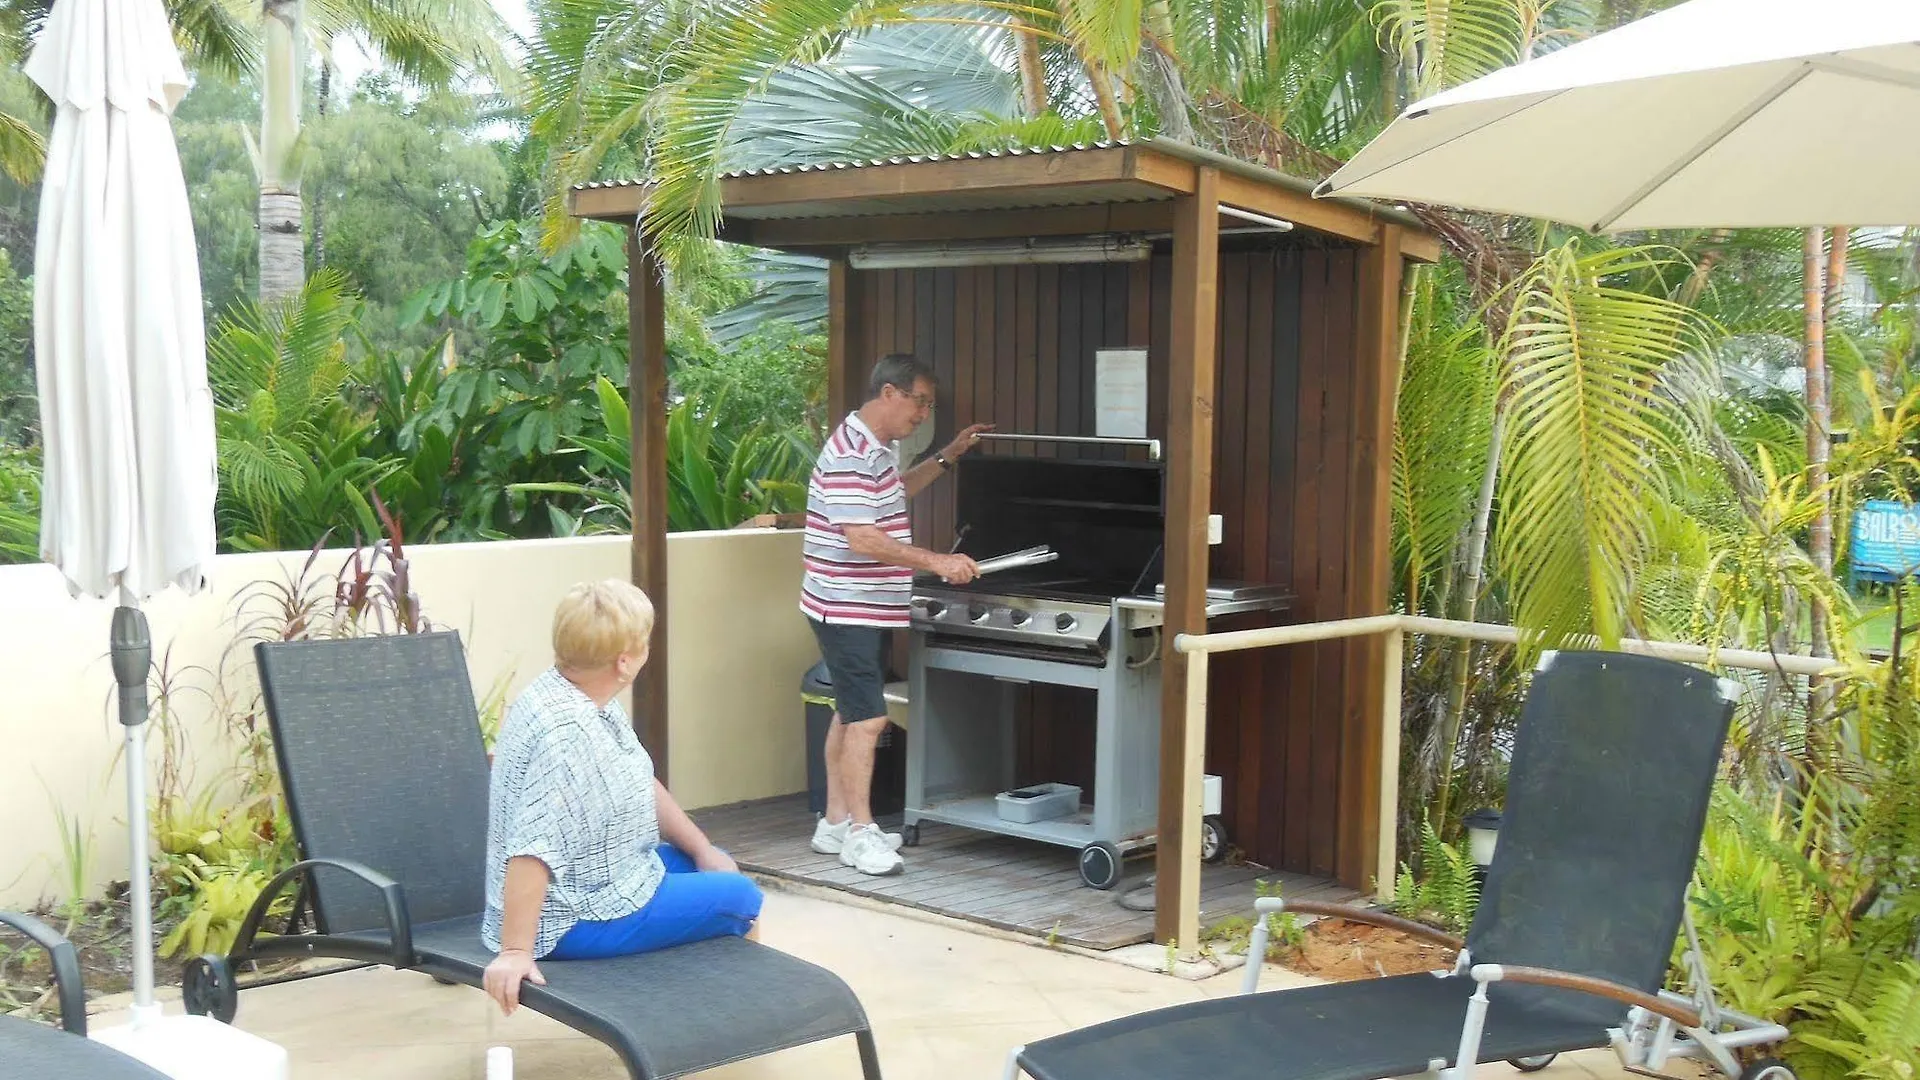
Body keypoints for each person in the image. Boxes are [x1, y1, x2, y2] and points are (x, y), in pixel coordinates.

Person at [481, 579, 763, 1015]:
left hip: (607, 877)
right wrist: (516, 951)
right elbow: (531, 849)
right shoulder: (568, 736)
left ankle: (716, 1008)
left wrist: (703, 848)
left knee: (712, 862)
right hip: (571, 918)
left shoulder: (579, 693)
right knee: (740, 897)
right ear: (625, 662)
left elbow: (640, 779)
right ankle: (727, 1017)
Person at [801, 353, 991, 875]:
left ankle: (835, 822)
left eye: (929, 405)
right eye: (920, 401)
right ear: (889, 392)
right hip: (847, 604)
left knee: (850, 710)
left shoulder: (877, 447)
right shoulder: (849, 453)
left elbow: (893, 494)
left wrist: (947, 456)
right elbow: (862, 538)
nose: (924, 414)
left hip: (863, 603)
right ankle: (861, 834)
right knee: (868, 719)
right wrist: (938, 561)